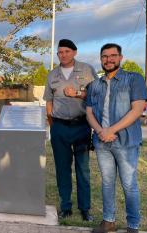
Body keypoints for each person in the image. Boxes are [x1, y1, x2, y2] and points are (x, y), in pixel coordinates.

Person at [86, 43, 147, 233]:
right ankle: (108, 221)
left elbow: (137, 109)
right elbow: (89, 112)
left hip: (126, 142)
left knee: (129, 185)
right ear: (100, 59)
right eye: (104, 56)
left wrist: (111, 129)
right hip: (102, 142)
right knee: (107, 182)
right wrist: (100, 131)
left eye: (113, 55)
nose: (108, 59)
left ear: (120, 58)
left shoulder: (133, 79)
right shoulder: (94, 85)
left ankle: (133, 225)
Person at [43, 39, 97, 221]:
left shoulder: (87, 70)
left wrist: (79, 94)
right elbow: (48, 101)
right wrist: (52, 124)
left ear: (74, 52)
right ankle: (65, 206)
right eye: (60, 52)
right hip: (59, 127)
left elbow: (97, 94)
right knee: (62, 169)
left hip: (81, 126)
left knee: (83, 169)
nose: (63, 55)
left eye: (66, 51)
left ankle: (85, 208)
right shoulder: (52, 75)